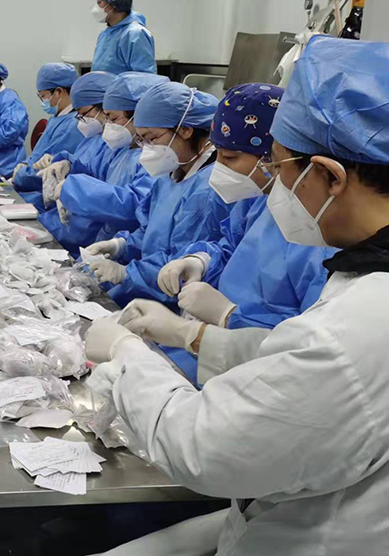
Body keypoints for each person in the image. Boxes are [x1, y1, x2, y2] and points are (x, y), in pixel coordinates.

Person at [84, 36, 389, 556]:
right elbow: (292, 359)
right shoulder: (361, 282)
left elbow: (203, 447)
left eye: (280, 168)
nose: (275, 187)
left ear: (330, 176)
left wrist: (128, 354)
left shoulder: (360, 325)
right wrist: (194, 336)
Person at [154, 84, 336, 381]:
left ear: (272, 158)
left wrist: (229, 315)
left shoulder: (321, 234)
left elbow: (308, 344)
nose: (219, 168)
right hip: (212, 351)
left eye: (229, 158)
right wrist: (200, 261)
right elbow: (231, 247)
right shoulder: (258, 201)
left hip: (258, 369)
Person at [82, 83, 229, 352]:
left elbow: (181, 261)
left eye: (151, 138)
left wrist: (126, 273)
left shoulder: (207, 188)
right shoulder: (170, 173)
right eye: (141, 140)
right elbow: (149, 230)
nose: (146, 149)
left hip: (172, 310)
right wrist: (121, 245)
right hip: (148, 295)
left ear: (185, 130)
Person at [48, 72, 165, 255]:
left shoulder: (155, 160)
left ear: (138, 115)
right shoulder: (121, 149)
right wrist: (69, 166)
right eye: (107, 117)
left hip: (129, 250)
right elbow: (96, 174)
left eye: (113, 118)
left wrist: (76, 188)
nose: (107, 124)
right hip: (106, 241)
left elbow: (136, 204)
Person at [34, 71, 118, 249]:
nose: (81, 120)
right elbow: (89, 168)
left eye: (84, 113)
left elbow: (117, 200)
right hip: (75, 222)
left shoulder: (119, 147)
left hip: (87, 231)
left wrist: (76, 187)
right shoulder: (94, 139)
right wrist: (67, 164)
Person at [11, 63, 85, 208]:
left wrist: (20, 175)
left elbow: (44, 173)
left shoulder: (72, 126)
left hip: (42, 197)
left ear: (59, 92)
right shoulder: (58, 118)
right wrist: (24, 166)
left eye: (43, 96)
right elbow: (38, 156)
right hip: (30, 186)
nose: (42, 101)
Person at [90, 0, 156, 75]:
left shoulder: (136, 35)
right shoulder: (105, 34)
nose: (96, 7)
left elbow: (144, 78)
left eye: (99, 2)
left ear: (114, 4)